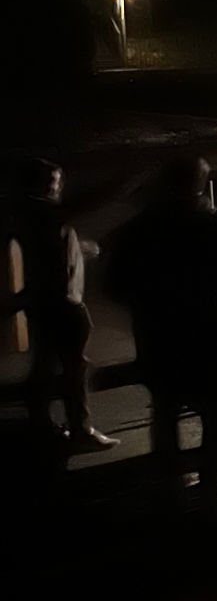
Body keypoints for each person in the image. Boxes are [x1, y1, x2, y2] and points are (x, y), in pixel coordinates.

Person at [105, 158, 217, 510]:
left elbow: (114, 284)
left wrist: (147, 303)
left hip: (157, 334)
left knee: (165, 411)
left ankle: (171, 485)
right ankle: (212, 490)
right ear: (200, 184)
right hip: (207, 333)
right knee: (214, 412)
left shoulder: (139, 229)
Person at [9, 158, 117, 452]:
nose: (58, 188)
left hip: (46, 302)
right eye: (55, 182)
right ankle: (79, 430)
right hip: (62, 303)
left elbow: (47, 249)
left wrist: (80, 248)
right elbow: (94, 199)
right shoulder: (43, 211)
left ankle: (42, 425)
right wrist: (135, 177)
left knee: (47, 365)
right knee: (74, 367)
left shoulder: (30, 215)